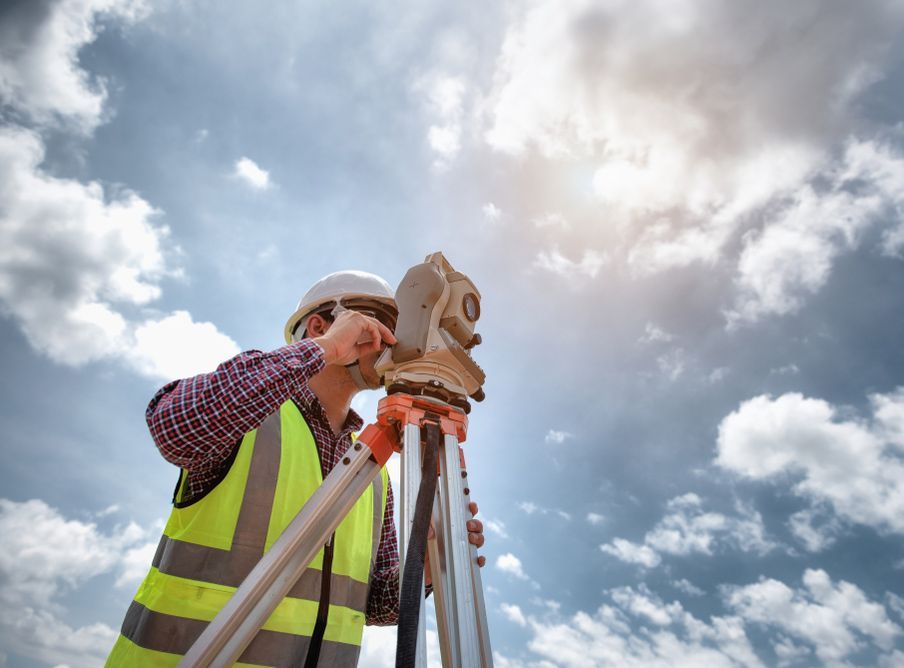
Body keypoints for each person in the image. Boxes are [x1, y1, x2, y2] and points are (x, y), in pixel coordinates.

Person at [106, 270, 486, 667]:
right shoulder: (252, 416)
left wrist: (428, 563)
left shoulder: (373, 471)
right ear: (320, 325)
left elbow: (376, 605)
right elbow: (176, 427)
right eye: (378, 323)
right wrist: (324, 349)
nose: (393, 339)